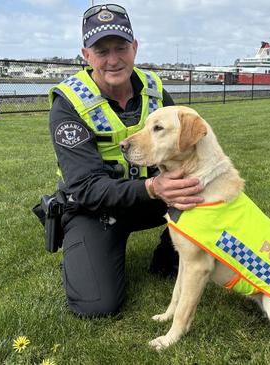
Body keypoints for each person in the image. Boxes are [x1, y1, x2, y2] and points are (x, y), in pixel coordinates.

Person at [47, 3, 203, 317]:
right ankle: (88, 250)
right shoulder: (69, 104)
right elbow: (87, 188)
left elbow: (187, 150)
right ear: (85, 55)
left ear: (135, 47)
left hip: (154, 195)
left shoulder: (155, 89)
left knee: (204, 189)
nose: (113, 59)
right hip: (95, 207)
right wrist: (154, 188)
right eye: (101, 51)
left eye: (121, 47)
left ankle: (169, 256)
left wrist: (176, 186)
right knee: (97, 306)